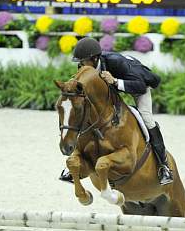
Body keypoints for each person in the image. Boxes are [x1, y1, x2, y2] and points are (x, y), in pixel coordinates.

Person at [59, 37, 174, 185]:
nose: (81, 65)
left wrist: (115, 81)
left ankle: (163, 166)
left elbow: (140, 86)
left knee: (147, 120)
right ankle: (75, 164)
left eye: (83, 62)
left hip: (137, 85)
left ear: (94, 59)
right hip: (114, 87)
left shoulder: (116, 62)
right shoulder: (86, 66)